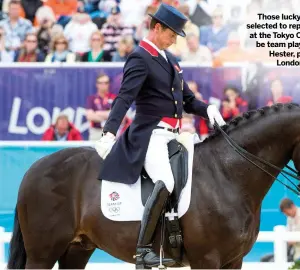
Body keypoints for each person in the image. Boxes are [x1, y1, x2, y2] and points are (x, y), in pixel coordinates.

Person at [94, 4, 225, 268]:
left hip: (175, 135)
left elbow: (187, 100)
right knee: (165, 179)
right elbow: (124, 98)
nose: (174, 39)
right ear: (157, 28)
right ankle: (143, 249)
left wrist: (207, 108)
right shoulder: (140, 57)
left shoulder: (171, 61)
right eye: (172, 34)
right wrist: (109, 131)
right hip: (151, 134)